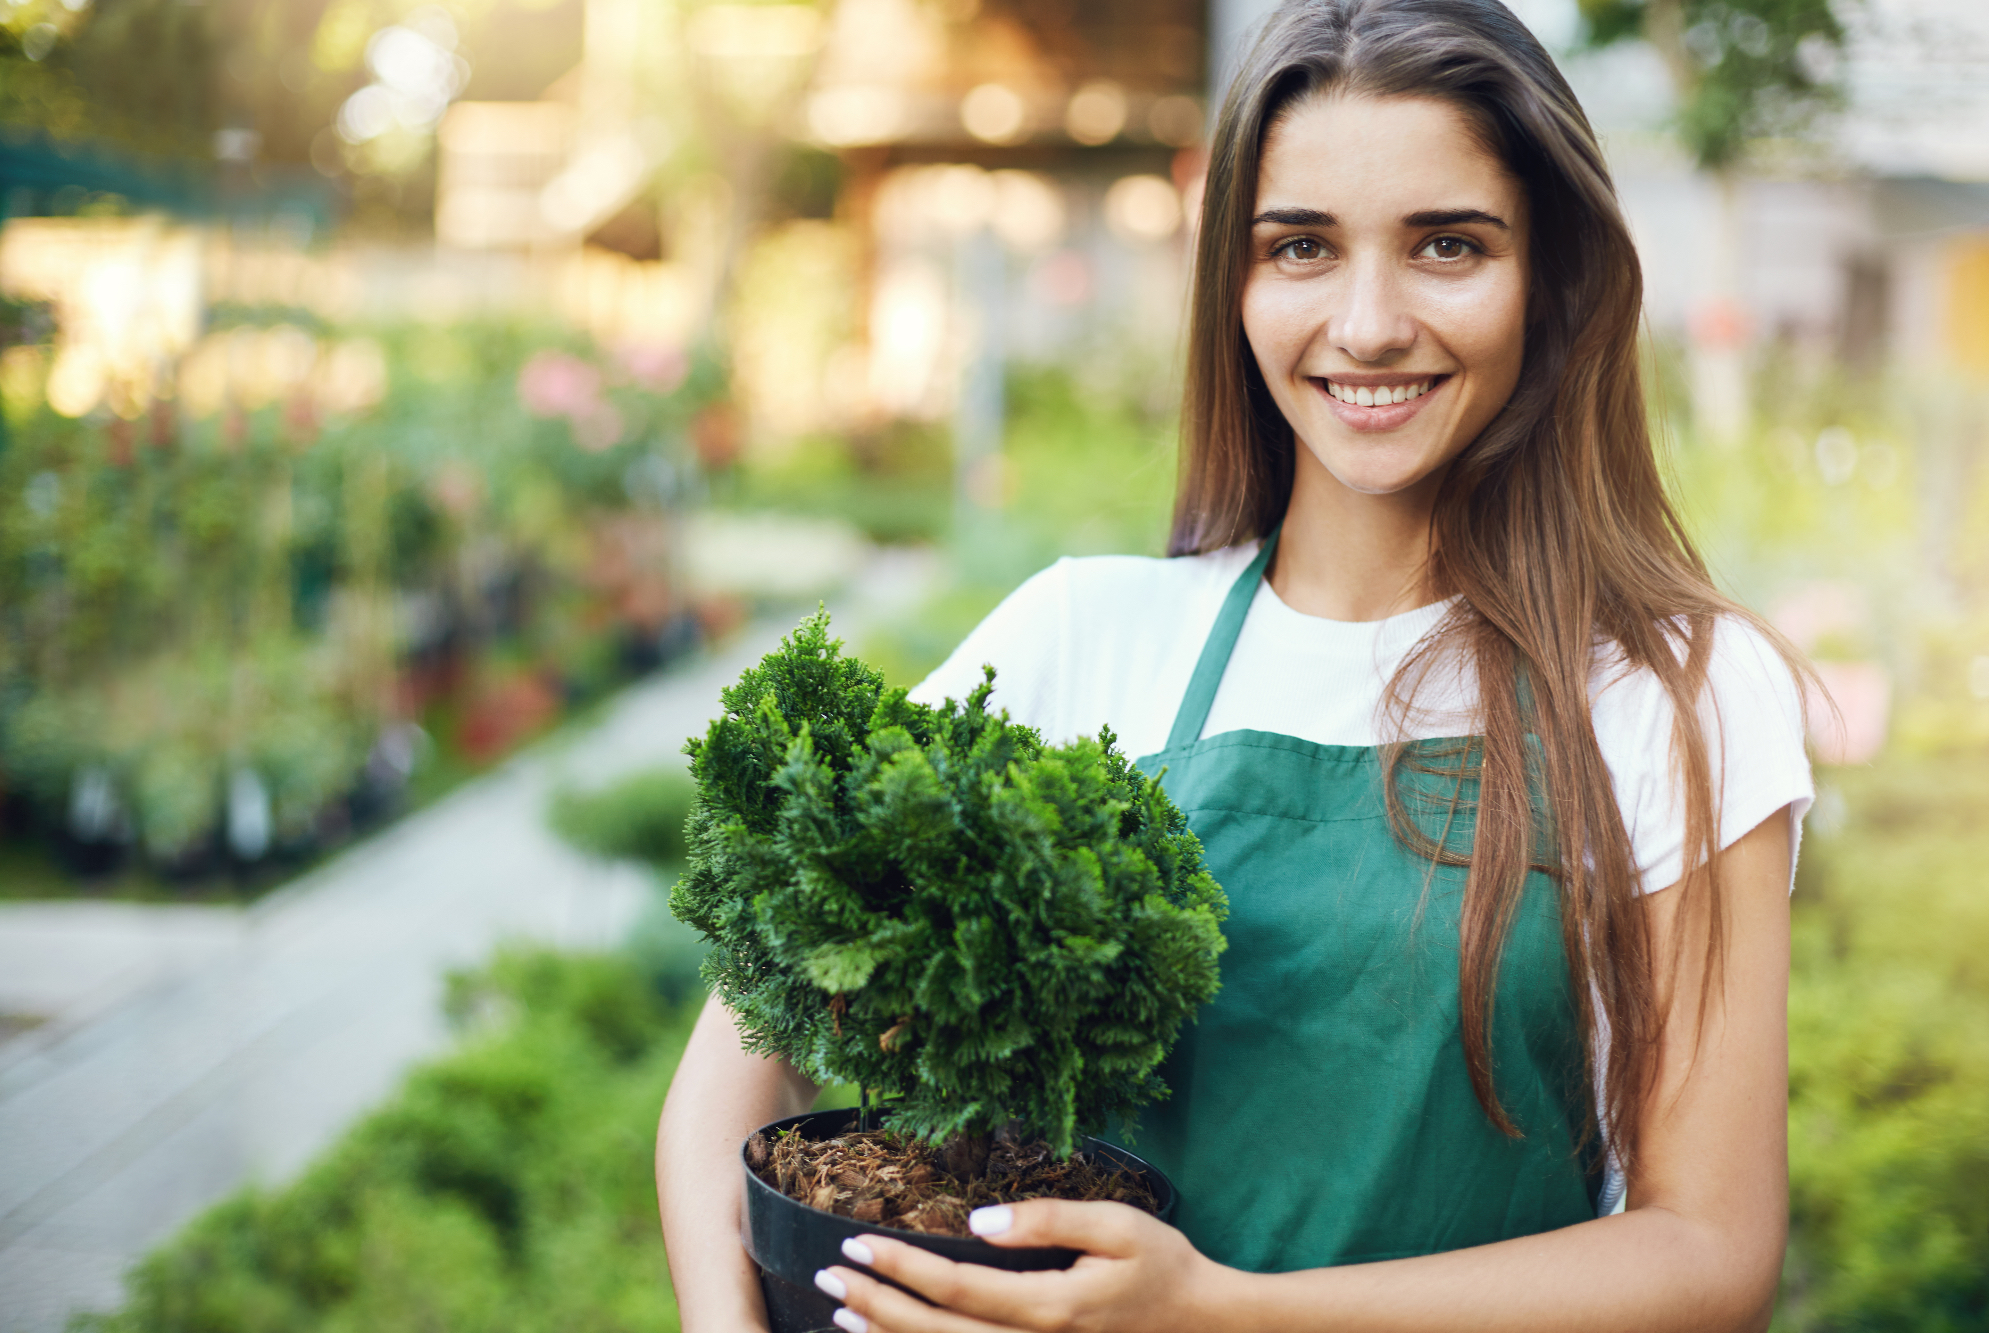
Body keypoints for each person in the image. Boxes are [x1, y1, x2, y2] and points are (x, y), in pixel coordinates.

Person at [655, 0, 1815, 1328]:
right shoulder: (1085, 640)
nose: (1368, 323)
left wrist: (1217, 1311)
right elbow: (733, 1068)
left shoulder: (1678, 693)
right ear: (1237, 283)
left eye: (1448, 244)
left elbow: (1711, 1252)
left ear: (1549, 276)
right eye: (1302, 247)